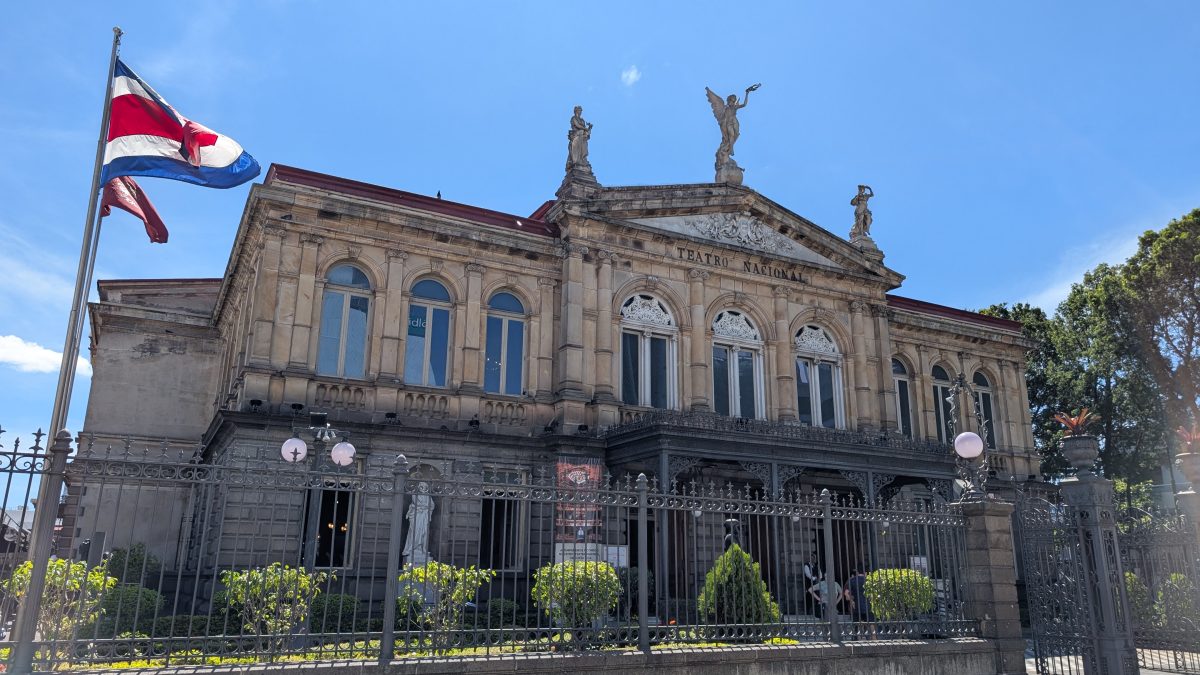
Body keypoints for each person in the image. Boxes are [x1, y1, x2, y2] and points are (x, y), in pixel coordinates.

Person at [843, 567, 877, 638]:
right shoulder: (869, 580)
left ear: (857, 572)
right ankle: (873, 640)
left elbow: (846, 593)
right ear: (866, 573)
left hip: (856, 606)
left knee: (856, 625)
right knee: (871, 624)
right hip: (869, 606)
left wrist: (852, 601)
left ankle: (856, 640)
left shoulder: (852, 580)